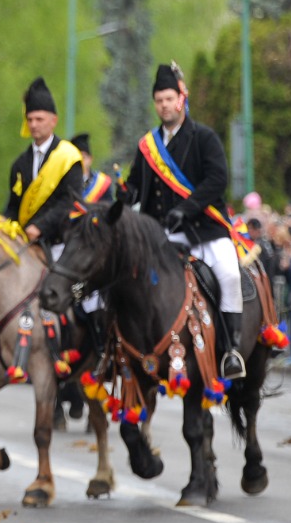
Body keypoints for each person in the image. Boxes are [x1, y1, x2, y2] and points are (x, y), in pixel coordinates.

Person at [121, 61, 247, 380]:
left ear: (181, 99)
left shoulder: (204, 137)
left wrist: (187, 209)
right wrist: (123, 194)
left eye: (169, 99)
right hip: (162, 234)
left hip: (205, 230)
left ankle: (230, 349)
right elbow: (135, 185)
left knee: (229, 275)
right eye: (159, 100)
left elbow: (217, 180)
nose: (164, 105)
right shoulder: (148, 146)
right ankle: (123, 346)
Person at [2, 77, 83, 254]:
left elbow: (69, 201)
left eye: (39, 119)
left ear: (53, 120)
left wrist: (41, 226)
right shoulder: (19, 164)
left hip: (59, 244)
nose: (33, 125)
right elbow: (13, 206)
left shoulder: (69, 157)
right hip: (24, 244)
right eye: (29, 119)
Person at [71, 133, 115, 203]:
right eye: (77, 157)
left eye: (83, 157)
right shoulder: (66, 182)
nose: (80, 161)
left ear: (90, 159)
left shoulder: (101, 183)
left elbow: (108, 206)